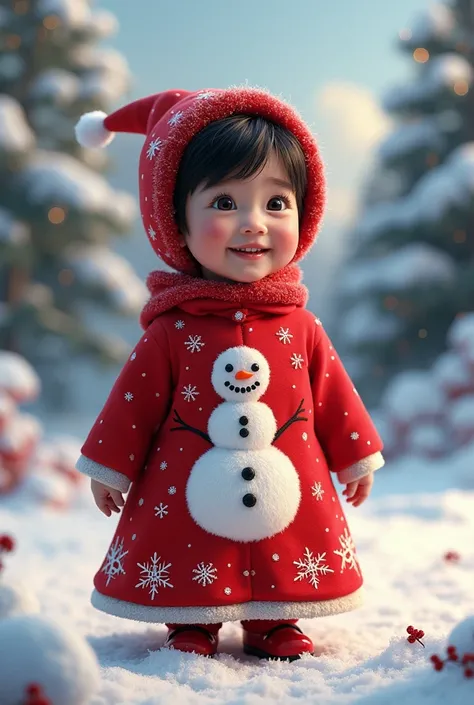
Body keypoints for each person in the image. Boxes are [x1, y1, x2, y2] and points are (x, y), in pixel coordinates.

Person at [74, 86, 385, 661]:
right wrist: (110, 467)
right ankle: (191, 618)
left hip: (292, 476)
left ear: (304, 212)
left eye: (276, 203)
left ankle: (275, 616)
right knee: (191, 541)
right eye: (223, 203)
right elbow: (133, 403)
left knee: (284, 536)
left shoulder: (302, 325)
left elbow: (334, 395)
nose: (253, 224)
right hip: (184, 480)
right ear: (176, 222)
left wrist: (355, 454)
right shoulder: (171, 330)